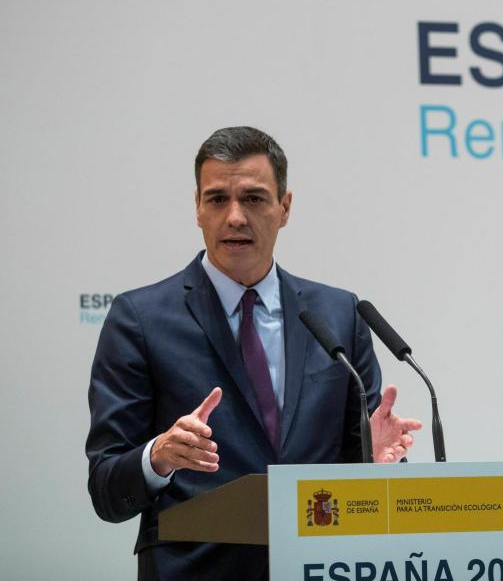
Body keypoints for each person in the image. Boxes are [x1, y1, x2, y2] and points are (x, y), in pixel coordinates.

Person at [86, 126, 421, 580]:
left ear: (285, 208)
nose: (236, 217)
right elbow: (106, 489)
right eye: (218, 199)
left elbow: (355, 468)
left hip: (321, 567)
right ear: (198, 208)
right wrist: (159, 457)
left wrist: (377, 466)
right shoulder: (140, 319)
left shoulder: (338, 314)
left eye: (255, 199)